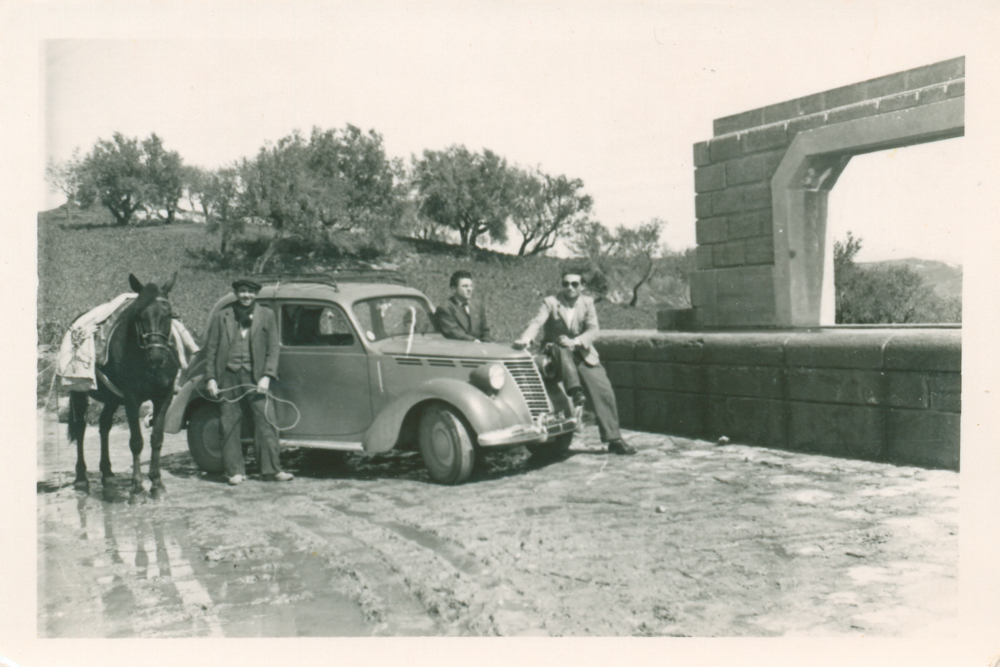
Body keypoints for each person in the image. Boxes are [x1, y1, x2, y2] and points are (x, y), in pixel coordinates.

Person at [514, 269, 636, 455]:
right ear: (561, 285)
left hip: (581, 352)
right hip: (556, 353)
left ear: (582, 286)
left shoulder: (587, 303)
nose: (569, 287)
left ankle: (614, 439)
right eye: (566, 284)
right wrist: (526, 338)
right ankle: (576, 392)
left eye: (574, 284)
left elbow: (593, 330)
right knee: (560, 345)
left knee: (604, 390)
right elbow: (537, 322)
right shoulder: (551, 302)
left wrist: (575, 342)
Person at [204, 277, 293, 485]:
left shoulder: (266, 315)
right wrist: (211, 379)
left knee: (266, 422)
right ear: (236, 293)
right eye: (242, 291)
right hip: (228, 376)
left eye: (251, 292)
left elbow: (273, 348)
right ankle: (234, 472)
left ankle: (271, 470)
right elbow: (211, 350)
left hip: (256, 378)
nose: (246, 295)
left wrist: (267, 376)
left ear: (256, 294)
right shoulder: (222, 316)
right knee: (229, 423)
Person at [436, 270, 491, 342]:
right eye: (465, 286)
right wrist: (474, 341)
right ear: (453, 289)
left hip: (479, 350)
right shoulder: (445, 308)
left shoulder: (478, 306)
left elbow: (485, 331)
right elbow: (453, 332)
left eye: (471, 286)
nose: (469, 289)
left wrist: (486, 345)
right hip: (457, 350)